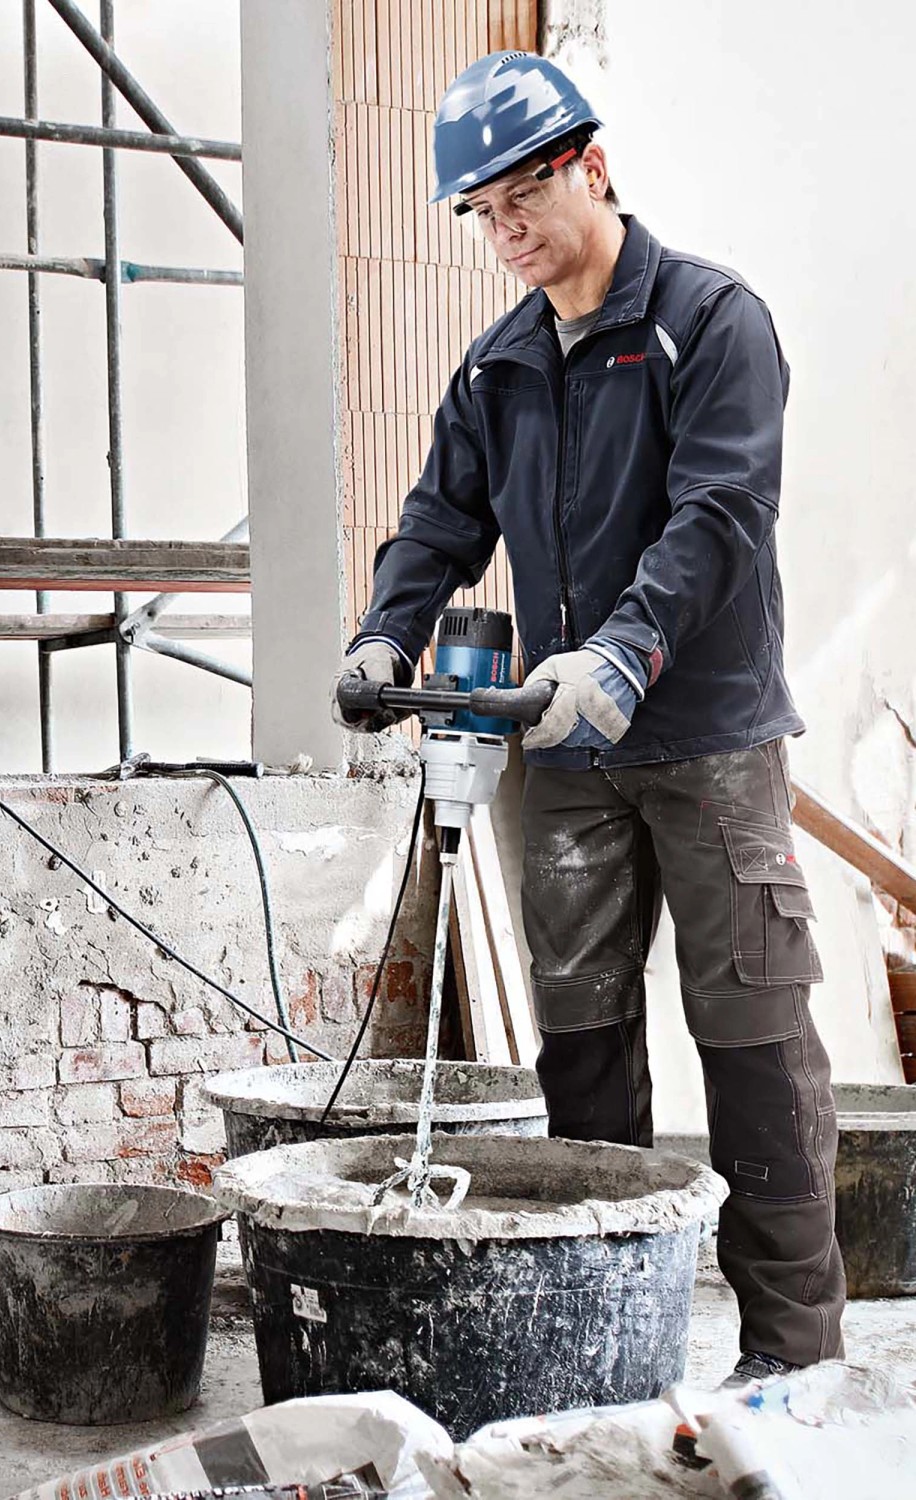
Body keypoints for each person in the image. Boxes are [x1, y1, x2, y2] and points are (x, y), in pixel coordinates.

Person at [333, 50, 843, 1386]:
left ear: (593, 168)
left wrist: (624, 650)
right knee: (585, 1040)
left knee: (753, 1039)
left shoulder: (712, 320)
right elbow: (441, 520)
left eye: (522, 200)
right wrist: (390, 627)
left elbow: (721, 515)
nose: (505, 234)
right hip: (563, 753)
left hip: (710, 740)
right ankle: (614, 1343)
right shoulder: (498, 369)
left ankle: (791, 1361)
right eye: (483, 215)